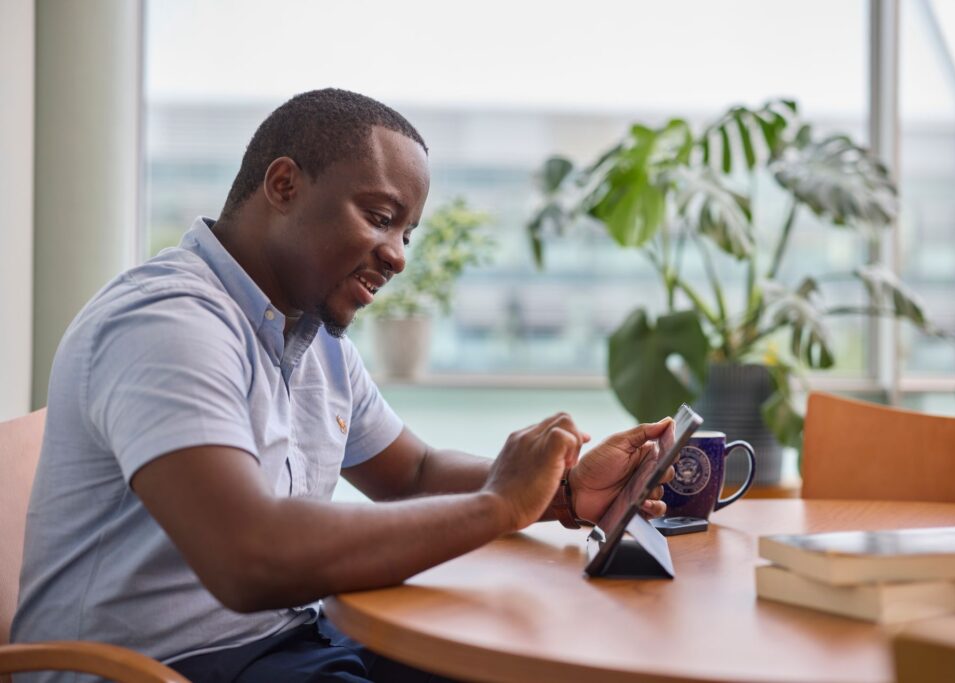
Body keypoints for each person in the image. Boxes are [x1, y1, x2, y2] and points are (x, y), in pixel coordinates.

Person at [11, 88, 674, 682]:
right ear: (284, 185)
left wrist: (559, 489)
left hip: (290, 643)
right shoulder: (166, 322)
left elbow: (412, 472)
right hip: (163, 668)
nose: (399, 255)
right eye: (381, 216)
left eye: (407, 232)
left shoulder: (314, 338)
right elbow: (250, 558)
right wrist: (498, 505)